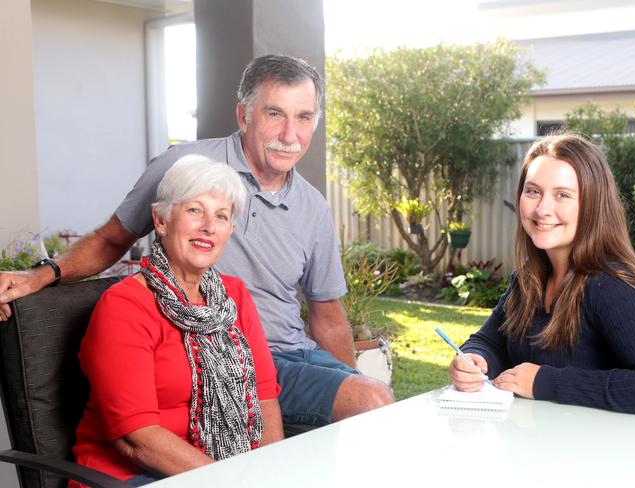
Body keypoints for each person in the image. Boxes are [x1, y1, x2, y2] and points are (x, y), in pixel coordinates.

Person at [0, 54, 394, 425]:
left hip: (293, 353)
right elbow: (110, 238)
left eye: (304, 117)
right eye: (275, 114)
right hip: (222, 360)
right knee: (369, 403)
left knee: (378, 406)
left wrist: (348, 377)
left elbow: (327, 316)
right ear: (243, 115)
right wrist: (43, 274)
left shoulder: (313, 206)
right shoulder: (185, 168)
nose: (290, 134)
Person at [71, 155, 283, 487]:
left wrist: (271, 473)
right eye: (195, 210)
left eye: (221, 216)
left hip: (220, 471)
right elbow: (137, 440)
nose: (208, 226)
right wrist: (231, 481)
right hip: (131, 475)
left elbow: (263, 394)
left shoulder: (234, 296)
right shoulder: (125, 306)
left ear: (229, 230)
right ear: (161, 220)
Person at [449, 133, 635, 415]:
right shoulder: (528, 280)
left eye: (562, 195)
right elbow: (489, 340)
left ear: (592, 205)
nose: (543, 209)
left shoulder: (610, 284)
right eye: (533, 192)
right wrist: (474, 358)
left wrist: (546, 381)